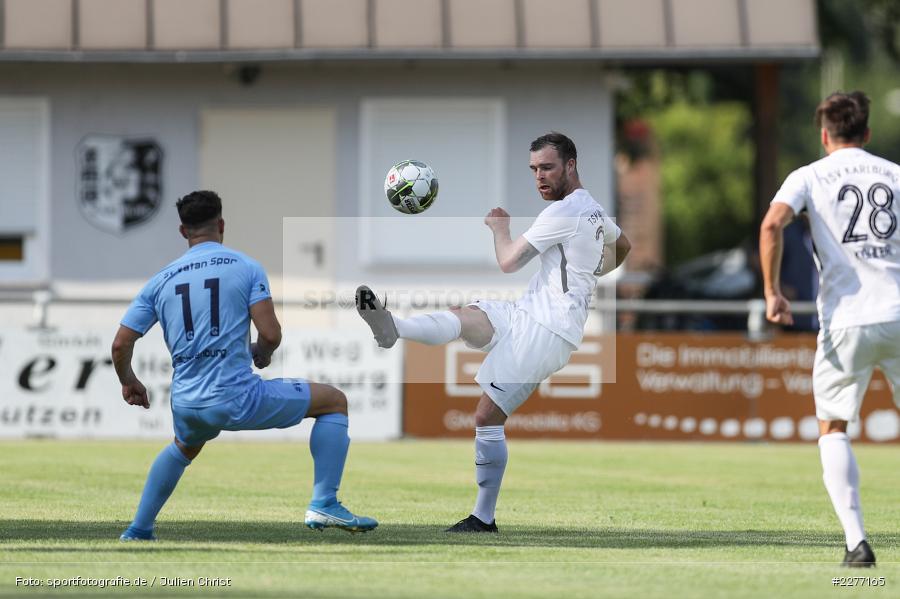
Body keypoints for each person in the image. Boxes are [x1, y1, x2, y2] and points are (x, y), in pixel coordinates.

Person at [357, 133, 631, 532]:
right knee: (466, 315)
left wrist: (499, 227)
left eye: (547, 168)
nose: (539, 177)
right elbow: (623, 245)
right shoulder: (591, 211)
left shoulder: (562, 213)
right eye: (534, 169)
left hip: (548, 331)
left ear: (571, 165)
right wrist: (594, 271)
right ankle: (392, 328)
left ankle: (483, 517)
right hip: (527, 314)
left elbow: (508, 261)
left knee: (487, 415)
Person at [112, 190, 377, 540]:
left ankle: (139, 529)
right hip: (236, 396)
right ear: (221, 225)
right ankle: (325, 502)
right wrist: (263, 353)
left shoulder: (160, 281)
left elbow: (120, 344)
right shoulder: (245, 266)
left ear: (182, 232)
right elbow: (270, 333)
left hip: (187, 402)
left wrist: (129, 380)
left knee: (184, 446)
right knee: (333, 401)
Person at [760, 91, 900, 567]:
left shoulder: (809, 175)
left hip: (846, 320)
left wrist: (772, 292)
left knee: (833, 426)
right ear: (867, 134)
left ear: (824, 136)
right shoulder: (895, 174)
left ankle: (857, 545)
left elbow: (772, 225)